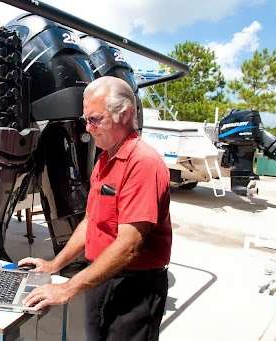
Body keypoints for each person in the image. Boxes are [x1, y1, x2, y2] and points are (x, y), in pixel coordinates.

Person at [19, 76, 172, 341]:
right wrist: (54, 265)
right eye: (85, 120)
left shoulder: (143, 163)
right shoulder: (105, 159)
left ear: (125, 114)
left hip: (133, 290)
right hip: (102, 279)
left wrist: (68, 288)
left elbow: (129, 246)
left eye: (95, 119)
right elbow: (91, 221)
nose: (87, 129)